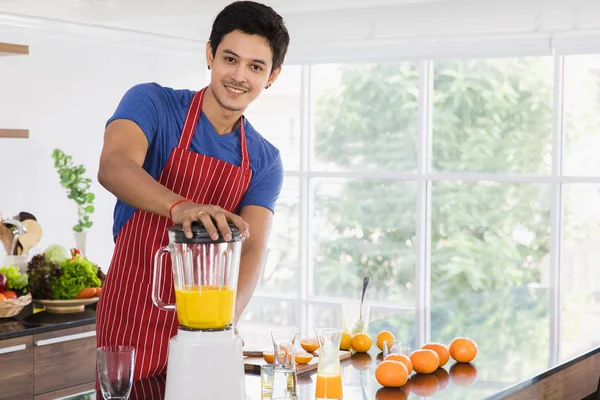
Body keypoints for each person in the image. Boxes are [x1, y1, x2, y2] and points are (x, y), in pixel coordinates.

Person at [95, 0, 289, 386]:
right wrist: (179, 206)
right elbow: (114, 166)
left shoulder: (264, 160)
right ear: (209, 54)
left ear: (272, 75)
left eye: (256, 67)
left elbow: (251, 247)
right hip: (130, 315)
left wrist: (223, 325)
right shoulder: (153, 103)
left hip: (207, 325)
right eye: (230, 59)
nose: (239, 76)